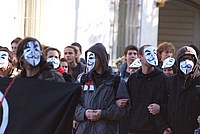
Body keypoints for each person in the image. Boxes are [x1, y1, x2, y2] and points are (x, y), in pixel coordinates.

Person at [74, 43, 130, 134]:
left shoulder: (116, 81)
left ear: (101, 58)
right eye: (88, 58)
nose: (89, 61)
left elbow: (124, 111)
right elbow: (73, 105)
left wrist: (103, 113)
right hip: (84, 130)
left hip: (106, 130)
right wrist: (84, 113)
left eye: (93, 57)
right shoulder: (83, 80)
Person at [127, 44, 170, 134]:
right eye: (148, 53)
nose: (152, 56)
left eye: (154, 53)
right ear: (140, 57)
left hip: (155, 129)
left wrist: (160, 108)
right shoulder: (133, 79)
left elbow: (171, 103)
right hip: (134, 128)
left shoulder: (163, 79)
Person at [167, 46, 200, 134]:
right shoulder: (170, 82)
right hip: (172, 129)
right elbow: (162, 104)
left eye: (190, 59)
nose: (187, 62)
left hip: (193, 129)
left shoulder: (198, 81)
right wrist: (163, 127)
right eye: (183, 59)